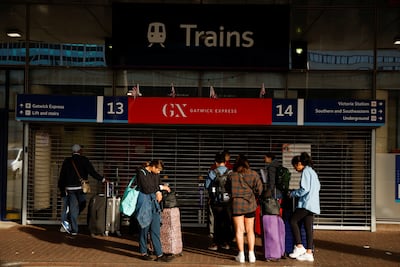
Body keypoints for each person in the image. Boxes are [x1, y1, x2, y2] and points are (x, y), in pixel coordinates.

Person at [58, 144, 106, 236]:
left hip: (70, 189)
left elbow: (62, 176)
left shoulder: (67, 161)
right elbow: (92, 172)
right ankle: (73, 226)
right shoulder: (84, 160)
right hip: (81, 188)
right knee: (82, 204)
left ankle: (73, 228)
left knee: (73, 208)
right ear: (80, 151)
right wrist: (102, 179)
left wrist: (62, 188)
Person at [135, 160, 173, 262]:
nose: (159, 172)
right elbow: (146, 188)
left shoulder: (155, 174)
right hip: (144, 203)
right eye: (158, 170)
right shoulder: (141, 172)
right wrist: (160, 188)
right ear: (153, 167)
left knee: (155, 229)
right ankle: (143, 252)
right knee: (144, 228)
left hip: (154, 203)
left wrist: (158, 191)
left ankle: (159, 254)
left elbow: (156, 185)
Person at [288, 152, 320, 262]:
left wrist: (293, 194)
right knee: (308, 228)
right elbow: (318, 187)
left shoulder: (306, 171)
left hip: (306, 203)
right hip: (313, 203)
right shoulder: (313, 172)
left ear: (299, 163)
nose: (295, 169)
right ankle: (309, 253)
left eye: (295, 166)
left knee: (293, 221)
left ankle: (299, 246)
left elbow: (305, 189)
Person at [230, 155, 263, 263]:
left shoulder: (232, 175)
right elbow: (260, 189)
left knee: (239, 230)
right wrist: (253, 195)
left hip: (237, 205)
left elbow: (227, 188)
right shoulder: (254, 174)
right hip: (250, 204)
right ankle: (251, 254)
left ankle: (241, 255)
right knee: (250, 230)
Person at [205, 152, 233, 251]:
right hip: (228, 201)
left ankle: (216, 243)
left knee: (217, 222)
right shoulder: (230, 172)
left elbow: (207, 186)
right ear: (225, 162)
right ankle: (227, 243)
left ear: (216, 162)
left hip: (216, 201)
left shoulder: (213, 172)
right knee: (227, 222)